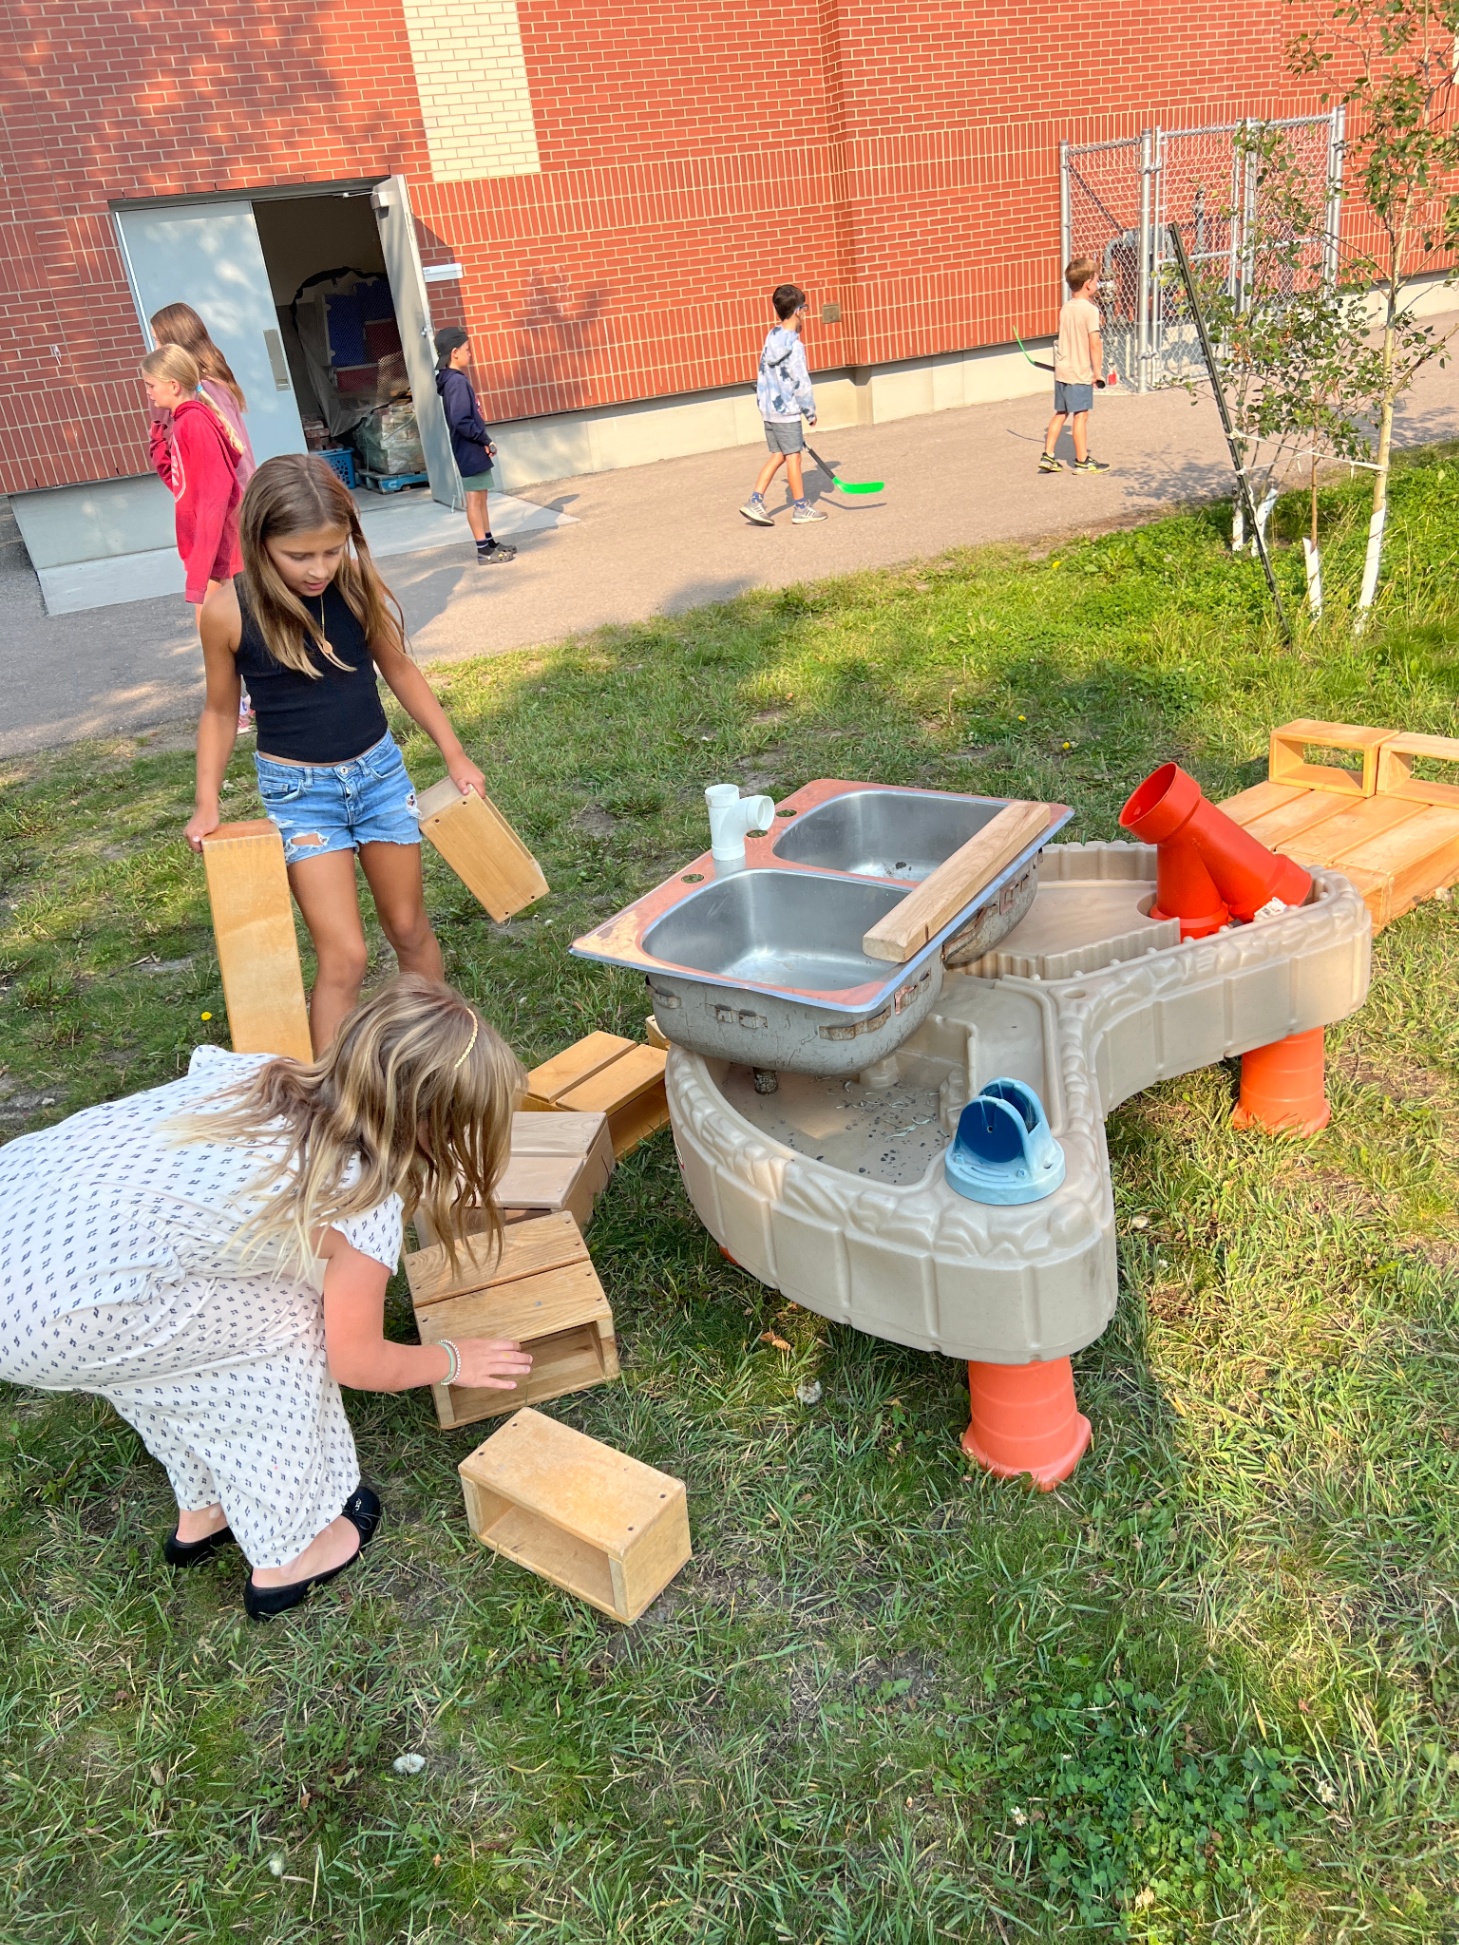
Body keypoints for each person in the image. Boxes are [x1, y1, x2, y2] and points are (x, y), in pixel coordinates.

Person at [0, 977, 534, 1619]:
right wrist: (452, 1360)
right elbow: (356, 1361)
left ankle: (206, 1508)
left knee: (165, 1352)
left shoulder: (265, 1074)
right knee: (287, 1327)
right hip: (59, 1310)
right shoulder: (361, 1200)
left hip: (33, 1224)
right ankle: (291, 1550)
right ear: (429, 1125)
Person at [185, 452, 489, 1052]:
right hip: (301, 798)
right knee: (344, 955)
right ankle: (328, 1099)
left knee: (408, 927)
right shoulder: (226, 612)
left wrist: (454, 753)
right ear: (260, 540)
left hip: (378, 777)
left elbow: (400, 670)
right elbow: (221, 712)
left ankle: (433, 1062)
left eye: (332, 549)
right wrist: (205, 801)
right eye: (300, 555)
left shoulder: (356, 586)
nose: (319, 568)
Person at [152, 302, 258, 729]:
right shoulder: (216, 383)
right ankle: (249, 698)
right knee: (243, 609)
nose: (154, 345)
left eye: (158, 339)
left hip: (225, 522)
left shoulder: (194, 401)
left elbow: (207, 479)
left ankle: (238, 704)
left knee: (217, 618)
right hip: (243, 510)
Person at [142, 343, 245, 609]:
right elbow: (180, 483)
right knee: (218, 614)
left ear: (173, 385)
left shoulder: (194, 423)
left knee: (215, 614)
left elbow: (215, 492)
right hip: (209, 543)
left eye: (151, 385)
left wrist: (204, 555)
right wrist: (158, 433)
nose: (148, 392)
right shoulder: (183, 422)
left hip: (218, 544)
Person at [740, 284, 827, 526]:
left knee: (778, 455)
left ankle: (755, 501)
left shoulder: (772, 336)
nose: (806, 313)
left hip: (769, 409)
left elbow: (763, 373)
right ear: (798, 311)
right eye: (806, 308)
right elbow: (801, 383)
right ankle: (801, 507)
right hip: (786, 411)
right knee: (793, 458)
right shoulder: (795, 347)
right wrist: (809, 412)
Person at [150, 302, 257, 491]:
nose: (155, 350)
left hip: (231, 498)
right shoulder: (203, 386)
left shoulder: (206, 388)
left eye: (158, 341)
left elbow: (231, 453)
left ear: (176, 343)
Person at [432, 327, 516, 565]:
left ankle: (489, 542)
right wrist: (484, 439)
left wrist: (482, 440)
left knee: (482, 496)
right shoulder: (455, 382)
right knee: (474, 499)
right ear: (455, 352)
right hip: (468, 447)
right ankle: (483, 550)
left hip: (473, 445)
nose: (471, 354)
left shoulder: (455, 380)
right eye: (467, 350)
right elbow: (461, 420)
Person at [1040, 259, 1110, 475]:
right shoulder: (1090, 310)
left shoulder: (1066, 308)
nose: (1098, 282)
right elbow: (1095, 343)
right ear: (1088, 283)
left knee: (1060, 412)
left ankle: (1048, 456)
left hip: (1063, 370)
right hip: (1079, 372)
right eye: (1097, 279)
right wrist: (1097, 372)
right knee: (1081, 414)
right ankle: (1082, 461)